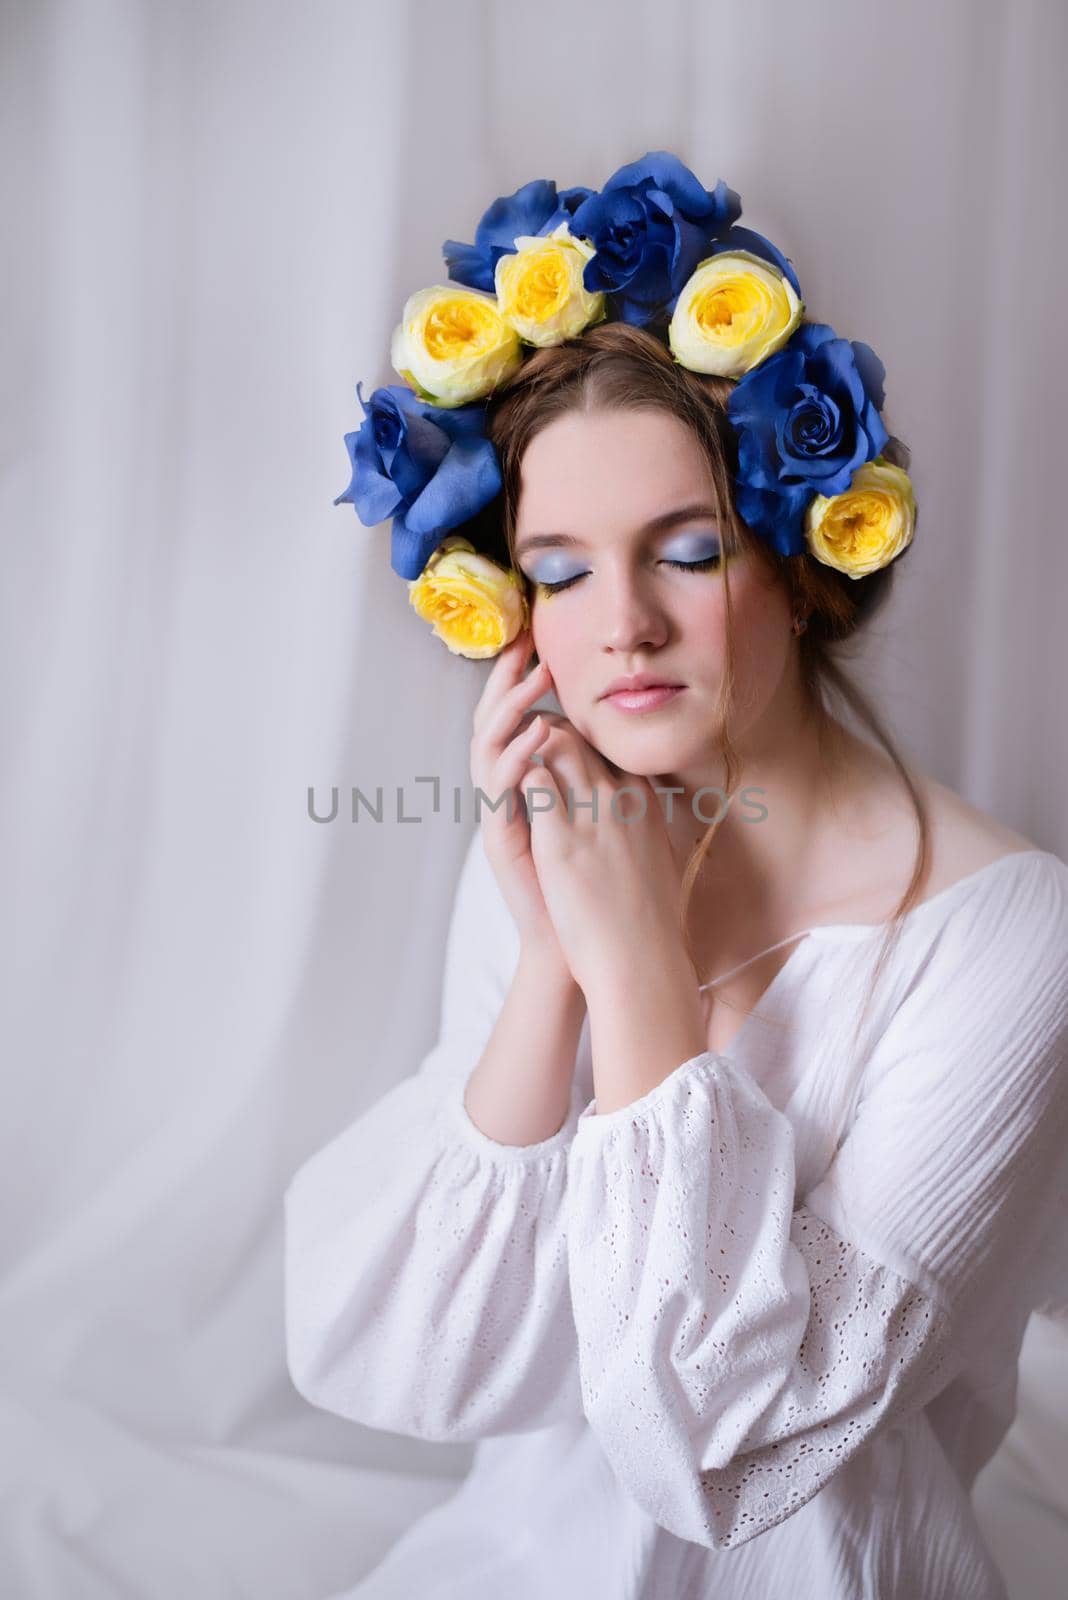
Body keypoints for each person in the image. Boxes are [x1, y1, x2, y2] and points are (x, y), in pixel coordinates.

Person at [285, 153, 1068, 1597]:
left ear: (801, 560)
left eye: (689, 551)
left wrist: (637, 977)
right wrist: (548, 967)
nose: (625, 625)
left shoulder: (1007, 937)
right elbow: (442, 1362)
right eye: (562, 571)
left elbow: (731, 1456)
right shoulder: (563, 847)